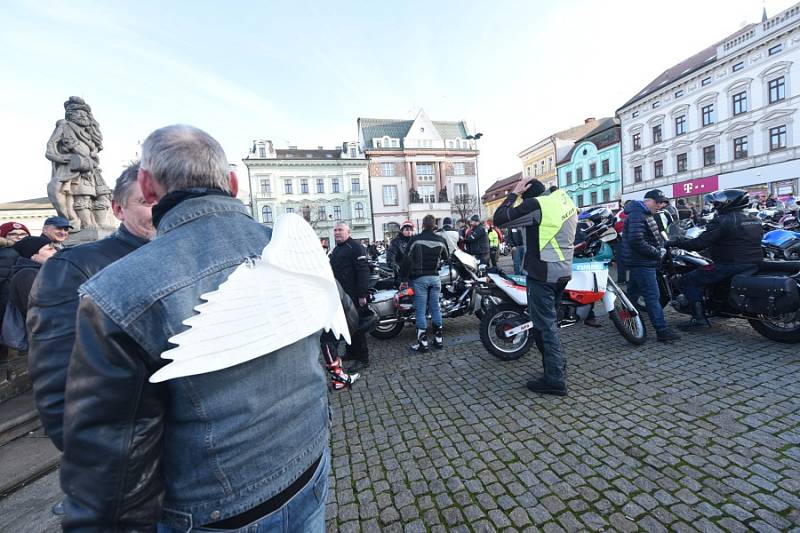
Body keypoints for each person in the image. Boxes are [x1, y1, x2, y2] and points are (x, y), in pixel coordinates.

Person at [59, 125, 331, 532]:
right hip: (308, 469)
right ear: (234, 183)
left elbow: (112, 454)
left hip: (219, 510)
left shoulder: (116, 291)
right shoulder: (288, 247)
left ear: (148, 188)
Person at [27, 163, 154, 454]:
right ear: (118, 210)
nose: (162, 208)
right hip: (132, 446)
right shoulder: (75, 266)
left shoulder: (184, 256)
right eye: (147, 201)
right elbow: (59, 382)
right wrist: (98, 459)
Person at [494, 179, 577, 396]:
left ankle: (555, 379)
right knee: (548, 323)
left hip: (543, 274)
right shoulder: (562, 201)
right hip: (563, 272)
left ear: (527, 195)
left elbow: (500, 219)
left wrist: (513, 194)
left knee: (545, 326)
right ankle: (557, 365)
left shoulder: (536, 206)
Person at [666, 189, 763, 330]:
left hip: (729, 264)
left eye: (719, 202)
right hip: (753, 261)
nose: (715, 204)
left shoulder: (722, 220)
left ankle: (699, 319)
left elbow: (700, 243)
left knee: (686, 281)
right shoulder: (754, 219)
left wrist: (676, 242)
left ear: (729, 203)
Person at [620, 189, 681, 342]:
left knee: (633, 294)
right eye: (658, 202)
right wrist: (655, 251)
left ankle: (627, 321)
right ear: (648, 201)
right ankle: (662, 330)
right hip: (642, 261)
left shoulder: (642, 213)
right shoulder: (637, 214)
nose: (660, 205)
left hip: (639, 261)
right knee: (652, 296)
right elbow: (636, 240)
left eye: (662, 203)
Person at [400, 214, 448, 352]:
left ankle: (423, 344)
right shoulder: (441, 240)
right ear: (434, 225)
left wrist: (403, 279)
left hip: (419, 279)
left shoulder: (415, 240)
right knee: (436, 309)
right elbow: (446, 257)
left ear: (422, 224)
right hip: (435, 278)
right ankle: (438, 341)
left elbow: (406, 260)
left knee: (420, 311)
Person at [330, 221, 371, 373]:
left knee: (358, 327)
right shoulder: (337, 249)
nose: (336, 233)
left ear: (348, 232)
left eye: (340, 230)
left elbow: (363, 271)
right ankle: (351, 351)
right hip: (341, 295)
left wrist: (362, 294)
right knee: (347, 326)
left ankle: (363, 358)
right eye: (335, 230)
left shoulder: (355, 247)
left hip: (354, 295)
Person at [2, 236, 56, 351]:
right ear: (33, 256)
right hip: (40, 343)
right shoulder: (27, 275)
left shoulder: (40, 272)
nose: (55, 251)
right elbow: (37, 313)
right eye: (49, 249)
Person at [0, 222, 30, 323]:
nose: (19, 237)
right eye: (13, 234)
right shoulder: (7, 255)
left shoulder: (26, 253)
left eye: (23, 234)